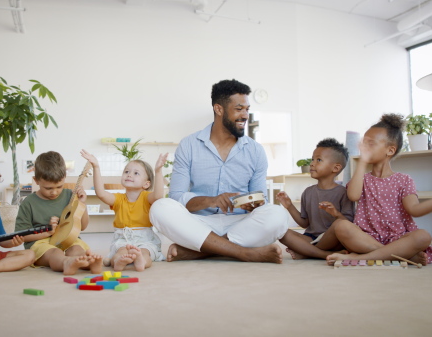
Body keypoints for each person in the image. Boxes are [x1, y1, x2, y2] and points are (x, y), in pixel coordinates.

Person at [149, 79, 292, 264]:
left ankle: (202, 251)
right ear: (219, 109)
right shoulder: (189, 145)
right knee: (160, 208)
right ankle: (244, 253)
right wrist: (212, 201)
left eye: (247, 109)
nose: (245, 115)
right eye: (239, 109)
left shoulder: (255, 150)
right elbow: (177, 198)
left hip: (240, 223)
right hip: (199, 223)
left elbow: (261, 198)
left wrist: (253, 203)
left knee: (278, 216)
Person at [325, 114, 432, 265]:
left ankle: (359, 257)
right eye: (364, 143)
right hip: (366, 237)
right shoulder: (362, 178)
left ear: (390, 150)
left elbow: (415, 210)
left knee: (423, 236)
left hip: (398, 238)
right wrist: (362, 161)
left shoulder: (404, 180)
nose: (364, 147)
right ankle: (398, 254)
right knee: (342, 226)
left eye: (371, 143)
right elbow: (353, 195)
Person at [15, 151, 103, 275]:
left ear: (65, 177)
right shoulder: (28, 203)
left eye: (59, 187)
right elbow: (22, 236)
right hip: (41, 243)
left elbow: (82, 226)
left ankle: (88, 262)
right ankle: (65, 263)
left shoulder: (70, 196)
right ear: (36, 180)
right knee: (55, 253)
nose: (54, 192)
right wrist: (46, 232)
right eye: (48, 188)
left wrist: (82, 204)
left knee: (76, 249)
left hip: (68, 239)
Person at [81, 149, 168, 271]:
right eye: (126, 171)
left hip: (145, 239)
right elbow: (101, 193)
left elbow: (158, 195)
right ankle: (118, 262)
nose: (129, 174)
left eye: (136, 173)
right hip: (123, 239)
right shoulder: (118, 198)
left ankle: (141, 261)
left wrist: (158, 171)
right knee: (120, 251)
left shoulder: (147, 197)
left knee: (145, 252)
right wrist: (96, 166)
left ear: (146, 184)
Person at [277, 138, 354, 260]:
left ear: (336, 168)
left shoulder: (343, 192)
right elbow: (304, 223)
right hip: (311, 238)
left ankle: (307, 251)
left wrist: (336, 214)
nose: (312, 163)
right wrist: (289, 206)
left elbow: (348, 225)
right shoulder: (308, 192)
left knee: (338, 225)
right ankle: (322, 254)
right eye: (312, 159)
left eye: (319, 160)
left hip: (333, 240)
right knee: (281, 233)